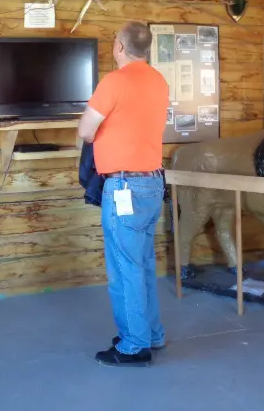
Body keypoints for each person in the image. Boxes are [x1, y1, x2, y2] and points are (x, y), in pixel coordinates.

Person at [77, 21, 169, 368]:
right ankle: (151, 333)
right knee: (143, 263)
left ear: (118, 46)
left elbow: (86, 130)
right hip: (152, 182)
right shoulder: (158, 81)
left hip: (125, 186)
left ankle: (134, 345)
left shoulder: (114, 81)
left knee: (124, 268)